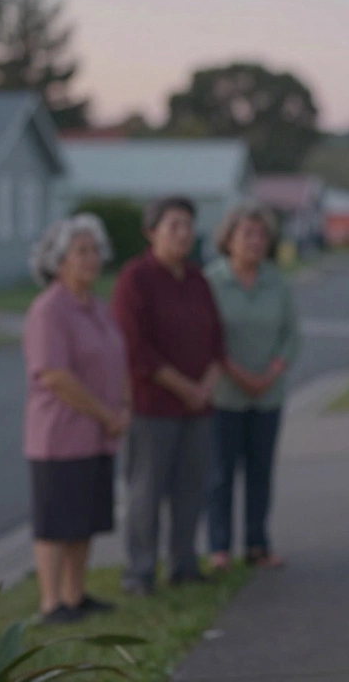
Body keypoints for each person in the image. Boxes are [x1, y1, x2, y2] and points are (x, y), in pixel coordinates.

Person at [112, 196, 226, 596]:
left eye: (188, 225)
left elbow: (217, 340)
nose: (183, 233)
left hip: (198, 409)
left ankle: (183, 564)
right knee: (146, 491)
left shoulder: (198, 279)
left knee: (191, 489)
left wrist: (207, 385)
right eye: (174, 225)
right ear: (151, 232)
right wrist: (184, 387)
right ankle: (140, 572)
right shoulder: (135, 279)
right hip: (153, 407)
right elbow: (135, 347)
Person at [22, 213, 128, 624]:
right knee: (56, 522)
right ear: (58, 260)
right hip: (59, 435)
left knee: (83, 518)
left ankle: (76, 594)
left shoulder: (97, 308)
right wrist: (107, 413)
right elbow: (55, 375)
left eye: (95, 250)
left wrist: (124, 408)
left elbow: (119, 361)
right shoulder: (49, 310)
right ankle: (51, 602)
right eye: (81, 251)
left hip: (98, 433)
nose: (91, 258)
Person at [205, 205, 300, 571]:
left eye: (261, 235)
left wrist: (270, 374)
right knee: (220, 475)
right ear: (228, 240)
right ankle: (219, 548)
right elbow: (209, 336)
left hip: (268, 395)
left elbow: (292, 335)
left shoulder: (277, 281)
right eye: (246, 234)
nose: (255, 242)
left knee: (260, 473)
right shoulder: (212, 281)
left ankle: (257, 543)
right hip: (225, 395)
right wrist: (237, 373)